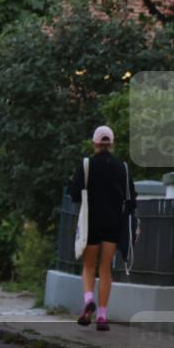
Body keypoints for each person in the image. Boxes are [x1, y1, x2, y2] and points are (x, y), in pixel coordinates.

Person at [69, 125, 136, 332]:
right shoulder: (122, 167)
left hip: (91, 223)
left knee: (89, 266)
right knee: (105, 268)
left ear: (95, 143)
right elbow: (131, 199)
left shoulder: (87, 165)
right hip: (113, 224)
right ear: (112, 143)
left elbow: (74, 194)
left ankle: (88, 300)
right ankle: (102, 316)